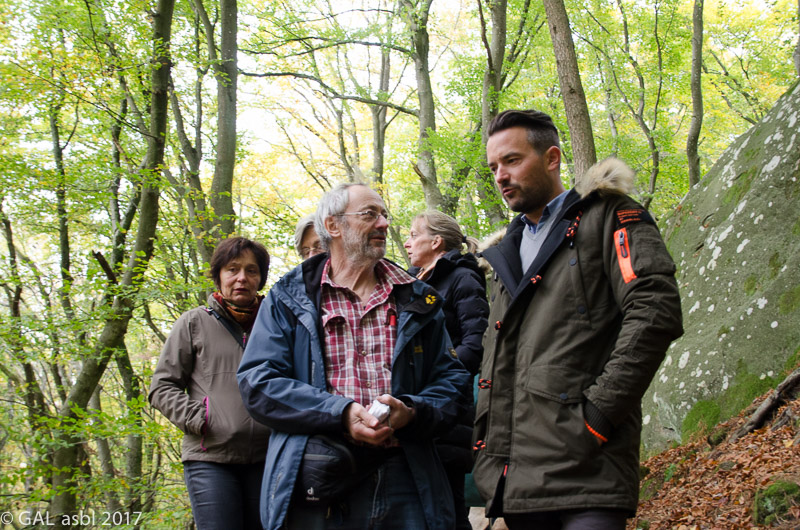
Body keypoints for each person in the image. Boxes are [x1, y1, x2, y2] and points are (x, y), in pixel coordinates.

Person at [473, 109, 684, 529]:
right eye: (494, 167)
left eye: (512, 160)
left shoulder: (608, 217)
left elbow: (655, 309)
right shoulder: (504, 253)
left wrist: (598, 416)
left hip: (589, 472)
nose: (500, 176)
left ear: (552, 158)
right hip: (517, 483)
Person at [238, 183, 471, 530]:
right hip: (319, 475)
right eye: (369, 214)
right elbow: (258, 382)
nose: (384, 224)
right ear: (333, 225)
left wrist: (412, 411)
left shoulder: (417, 298)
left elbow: (452, 381)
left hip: (407, 474)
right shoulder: (288, 297)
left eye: (384, 215)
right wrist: (340, 413)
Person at [149, 237, 272, 530]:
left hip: (268, 457)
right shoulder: (193, 322)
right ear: (218, 276)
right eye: (233, 269)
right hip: (210, 458)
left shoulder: (275, 324)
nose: (242, 278)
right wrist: (201, 418)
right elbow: (162, 387)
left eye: (251, 270)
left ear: (260, 278)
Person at [404, 210, 489, 529]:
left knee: (449, 507)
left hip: (447, 407)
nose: (408, 243)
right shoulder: (411, 282)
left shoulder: (462, 277)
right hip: (413, 405)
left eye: (414, 235)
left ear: (436, 241)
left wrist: (441, 376)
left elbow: (476, 341)